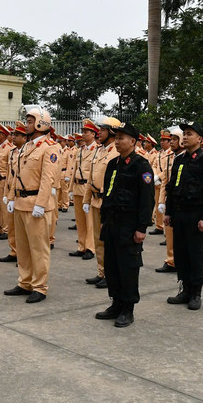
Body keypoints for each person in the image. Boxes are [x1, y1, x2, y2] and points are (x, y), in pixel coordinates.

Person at [95, 122, 154, 327]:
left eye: (122, 138)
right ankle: (116, 303)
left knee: (128, 267)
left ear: (133, 141)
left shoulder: (142, 166)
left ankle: (128, 308)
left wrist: (141, 228)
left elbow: (147, 200)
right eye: (116, 137)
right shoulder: (113, 164)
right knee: (112, 266)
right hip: (112, 222)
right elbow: (108, 193)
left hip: (129, 226)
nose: (118, 141)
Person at [3, 107, 57, 303]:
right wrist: (10, 197)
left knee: (38, 248)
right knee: (23, 247)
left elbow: (47, 179)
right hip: (20, 202)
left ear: (41, 123)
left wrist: (41, 204)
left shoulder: (50, 147)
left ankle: (40, 286)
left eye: (29, 122)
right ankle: (24, 281)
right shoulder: (25, 147)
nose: (26, 125)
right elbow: (16, 175)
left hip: (36, 204)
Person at [163, 122, 203, 310]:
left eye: (189, 134)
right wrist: (169, 211)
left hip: (196, 216)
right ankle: (185, 289)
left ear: (200, 139)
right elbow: (172, 188)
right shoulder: (179, 160)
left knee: (195, 255)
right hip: (179, 213)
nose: (185, 137)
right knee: (181, 253)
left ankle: (196, 293)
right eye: (184, 134)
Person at [84, 117, 121, 288]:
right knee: (98, 240)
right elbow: (91, 178)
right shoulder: (99, 150)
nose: (99, 132)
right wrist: (86, 199)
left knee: (109, 241)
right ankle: (102, 271)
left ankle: (111, 274)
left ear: (112, 132)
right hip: (95, 200)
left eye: (103, 129)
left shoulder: (117, 152)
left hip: (108, 201)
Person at [70, 119, 99, 262]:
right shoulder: (80, 151)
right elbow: (74, 169)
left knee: (89, 221)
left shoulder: (97, 150)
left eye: (86, 132)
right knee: (80, 220)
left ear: (93, 134)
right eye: (83, 132)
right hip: (77, 187)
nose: (83, 134)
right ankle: (81, 245)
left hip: (87, 188)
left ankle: (90, 248)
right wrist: (70, 188)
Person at [155, 127, 183, 273]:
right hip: (170, 201)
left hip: (182, 203)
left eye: (174, 139)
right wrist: (161, 201)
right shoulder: (169, 157)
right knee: (170, 232)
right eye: (170, 139)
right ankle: (171, 260)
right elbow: (165, 181)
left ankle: (180, 261)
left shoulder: (186, 158)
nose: (171, 142)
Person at [0, 121, 26, 263]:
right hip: (11, 191)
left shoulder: (27, 152)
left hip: (23, 194)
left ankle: (23, 255)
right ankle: (14, 251)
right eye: (13, 135)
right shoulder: (12, 152)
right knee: (11, 225)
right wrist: (6, 194)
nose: (13, 137)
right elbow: (10, 175)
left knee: (22, 229)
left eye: (17, 135)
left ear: (25, 138)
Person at [0, 123, 13, 238]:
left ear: (4, 135)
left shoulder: (9, 149)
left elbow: (10, 168)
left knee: (4, 207)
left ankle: (6, 229)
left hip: (3, 181)